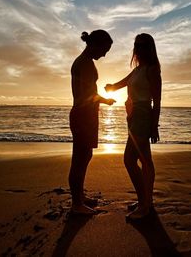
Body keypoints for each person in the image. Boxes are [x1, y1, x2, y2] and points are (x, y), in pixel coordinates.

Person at [105, 33, 161, 220]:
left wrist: (154, 126)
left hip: (143, 115)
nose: (139, 48)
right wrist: (111, 87)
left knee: (130, 160)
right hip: (133, 116)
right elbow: (123, 82)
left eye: (144, 45)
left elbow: (157, 101)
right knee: (145, 159)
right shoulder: (138, 70)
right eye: (137, 45)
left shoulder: (152, 70)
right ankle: (146, 202)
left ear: (150, 48)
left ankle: (145, 204)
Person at [69, 30, 116, 215]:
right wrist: (104, 100)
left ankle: (79, 197)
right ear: (94, 44)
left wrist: (104, 100)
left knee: (85, 155)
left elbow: (89, 94)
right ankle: (76, 205)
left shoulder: (85, 62)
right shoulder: (85, 64)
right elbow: (87, 95)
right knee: (79, 159)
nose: (104, 54)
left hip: (85, 115)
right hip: (83, 115)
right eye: (104, 49)